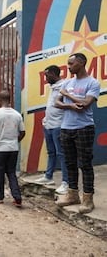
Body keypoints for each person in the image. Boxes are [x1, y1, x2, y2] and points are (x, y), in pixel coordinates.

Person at [55, 53, 100, 214]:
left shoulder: (93, 83)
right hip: (66, 127)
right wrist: (71, 105)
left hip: (84, 128)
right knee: (69, 163)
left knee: (85, 164)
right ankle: (72, 194)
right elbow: (57, 102)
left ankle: (88, 199)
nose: (68, 67)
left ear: (81, 63)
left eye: (71, 63)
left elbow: (86, 104)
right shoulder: (68, 82)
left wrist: (68, 96)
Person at [34, 65, 68, 194]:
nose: (46, 78)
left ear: (54, 74)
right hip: (48, 125)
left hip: (59, 125)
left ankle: (66, 182)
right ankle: (48, 177)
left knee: (62, 154)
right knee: (51, 152)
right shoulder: (53, 87)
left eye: (47, 75)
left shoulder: (64, 86)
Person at [0, 90, 25, 207]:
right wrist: (15, 141)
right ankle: (17, 198)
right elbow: (23, 132)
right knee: (11, 173)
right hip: (13, 148)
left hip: (0, 149)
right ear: (10, 100)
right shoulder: (17, 114)